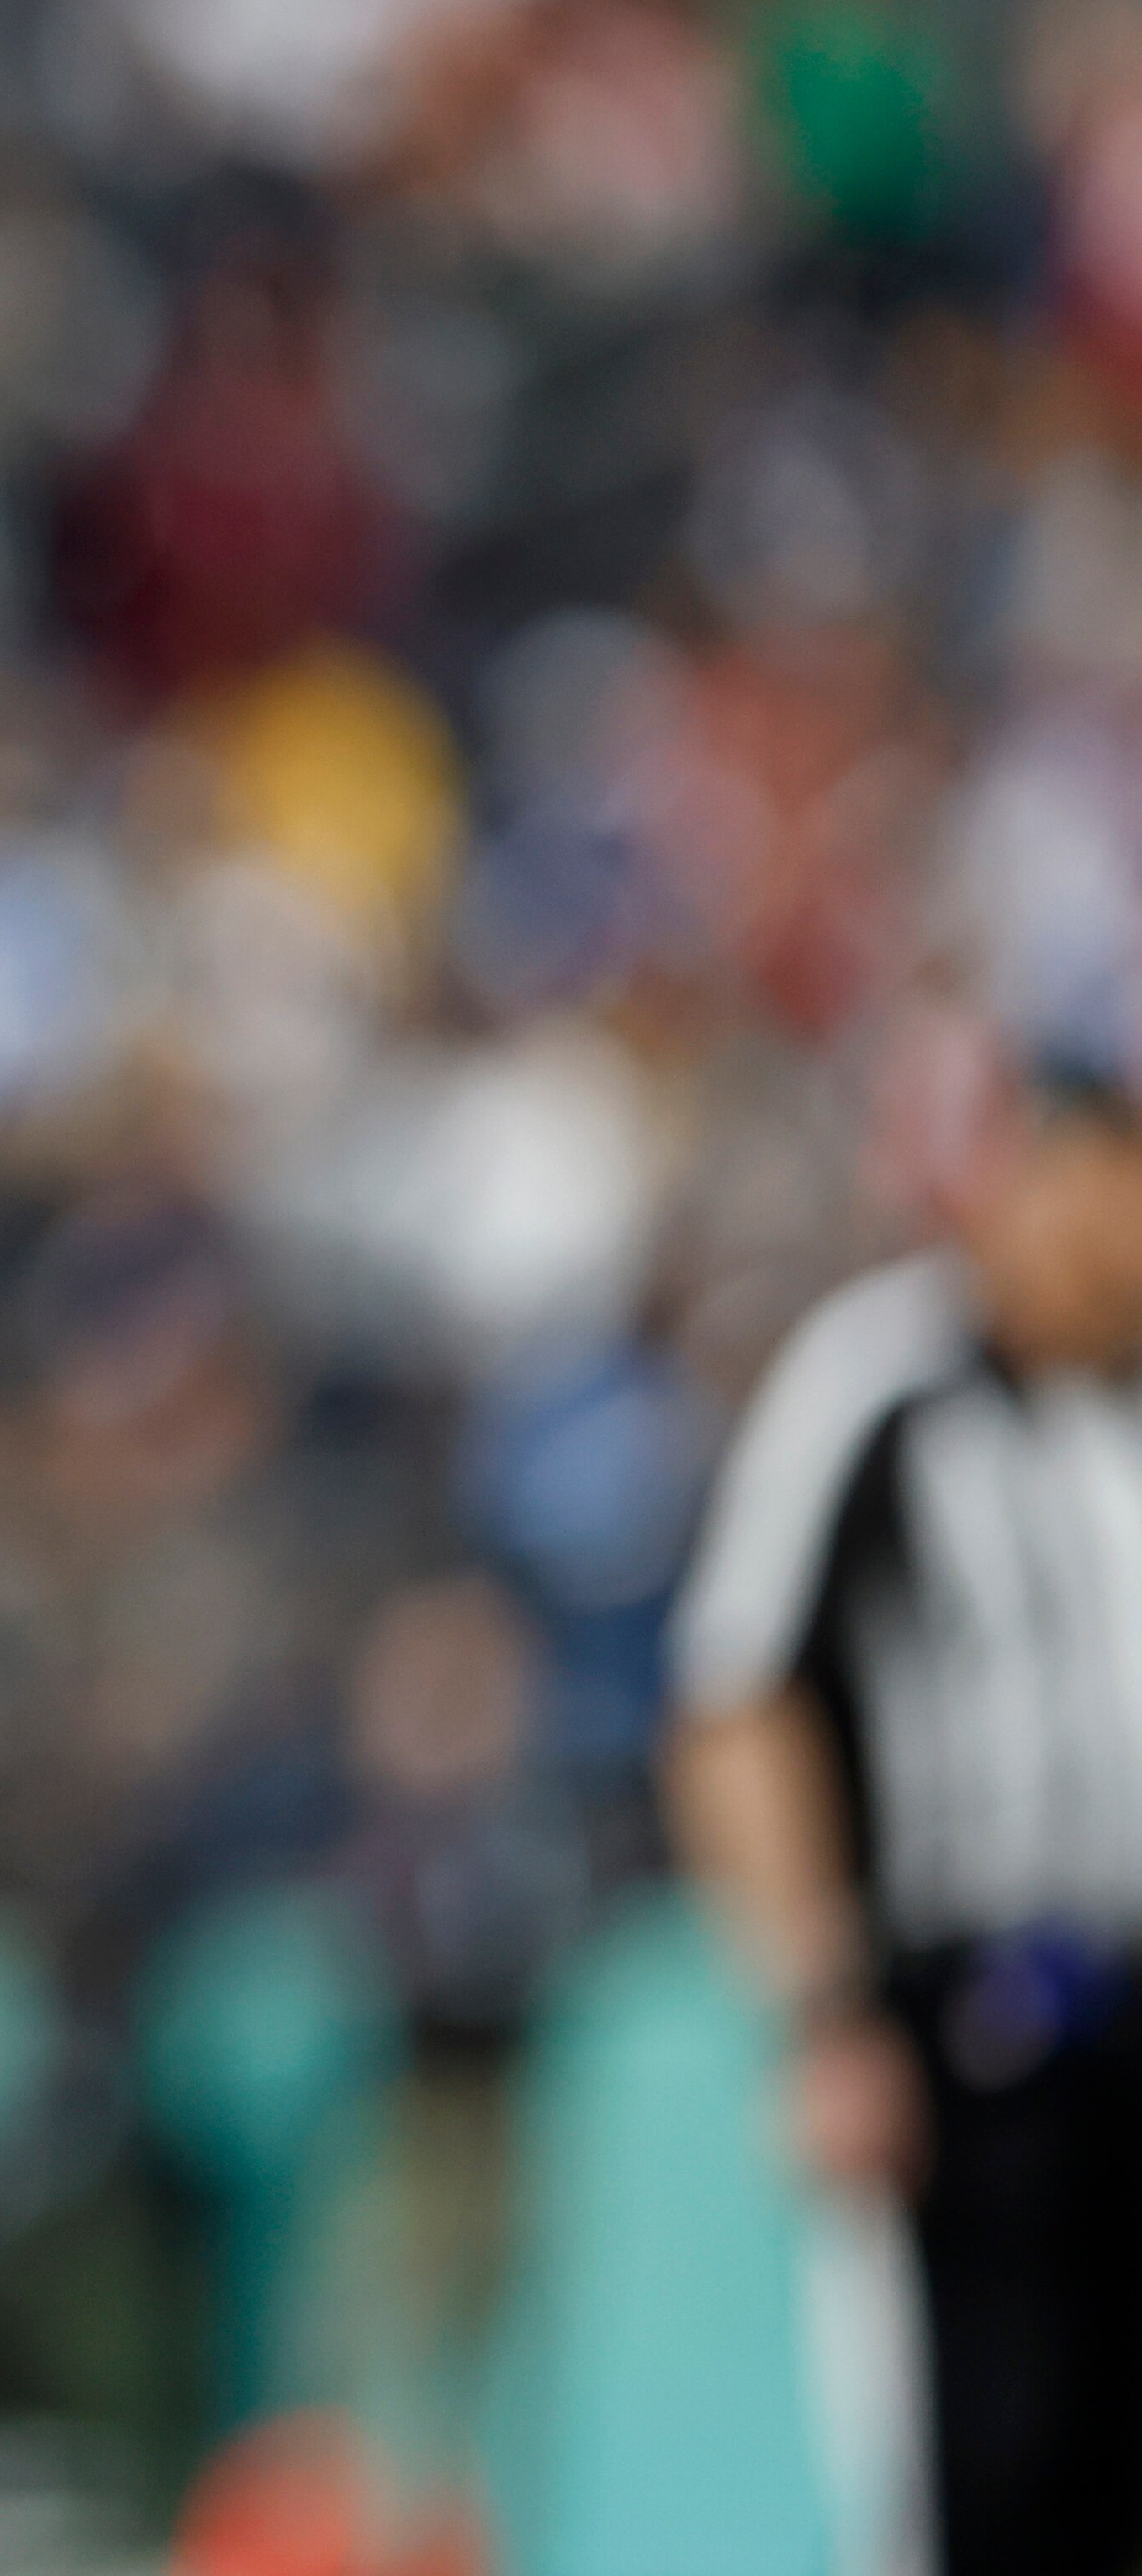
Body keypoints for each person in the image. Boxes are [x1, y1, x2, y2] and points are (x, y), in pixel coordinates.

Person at [665, 1057, 1142, 2576]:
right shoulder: (885, 1379)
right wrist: (823, 2007)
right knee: (972, 2467)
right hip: (964, 2018)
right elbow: (739, 1704)